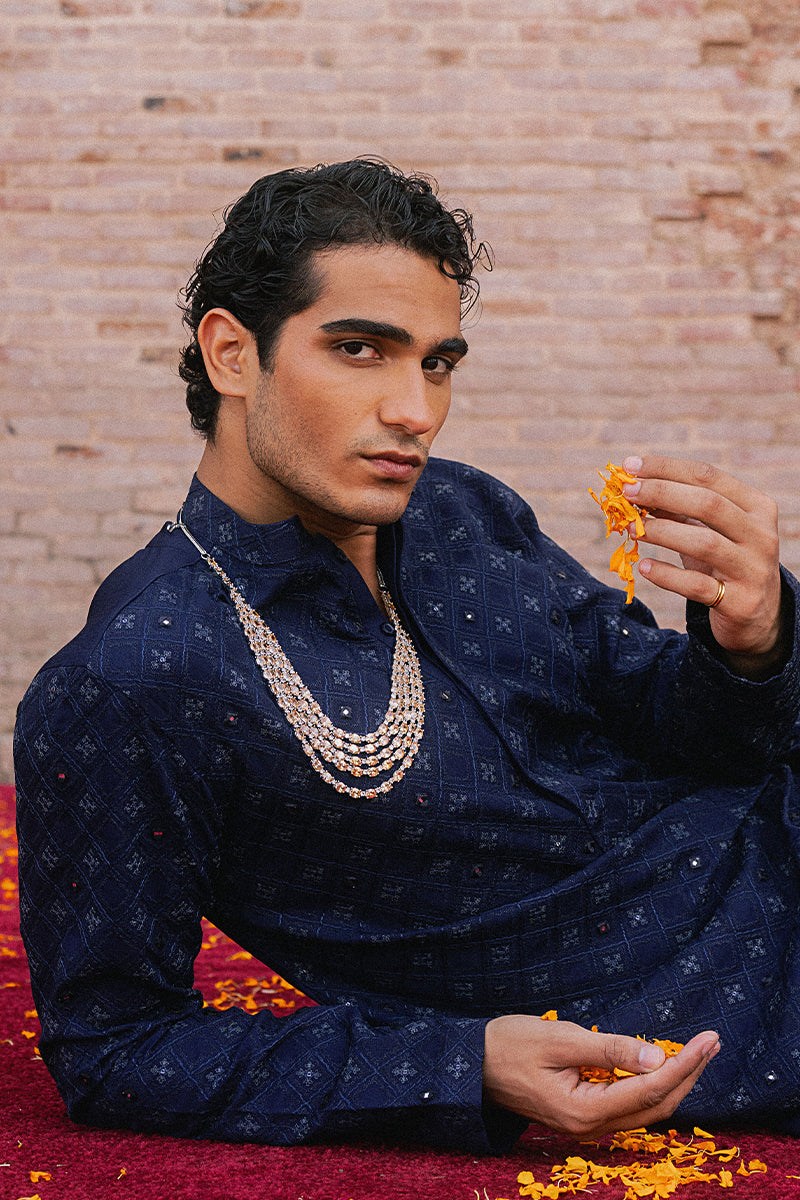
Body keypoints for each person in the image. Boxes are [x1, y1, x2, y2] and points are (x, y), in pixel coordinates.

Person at [13, 159, 800, 1153]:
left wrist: (749, 641)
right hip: (740, 1005)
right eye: (359, 350)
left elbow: (677, 721)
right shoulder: (135, 679)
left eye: (436, 363)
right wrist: (464, 1066)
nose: (415, 410)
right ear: (232, 354)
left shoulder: (463, 513)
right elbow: (116, 1046)